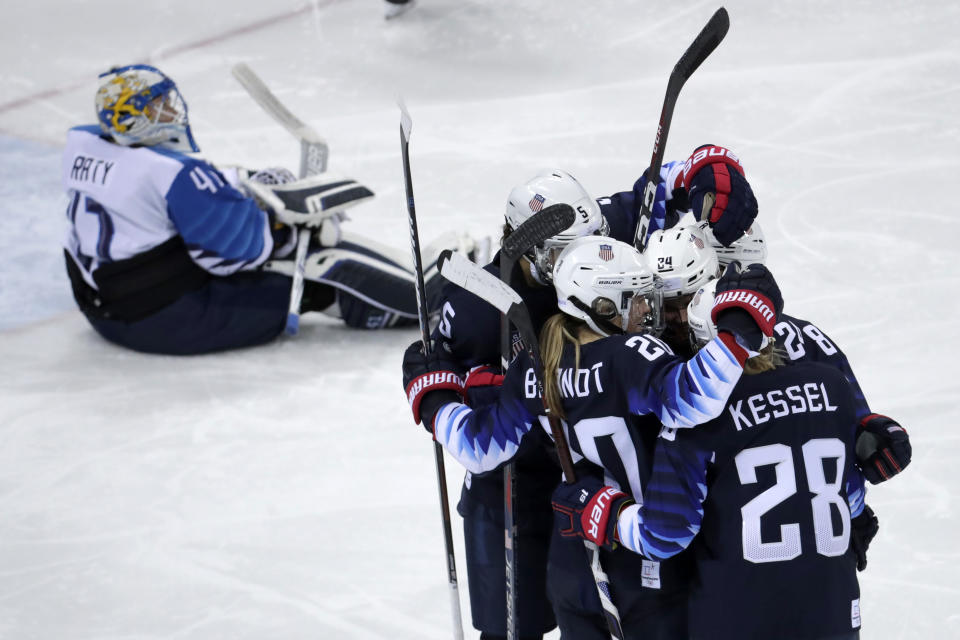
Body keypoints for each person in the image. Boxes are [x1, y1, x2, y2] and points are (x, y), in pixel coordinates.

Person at [428, 160, 756, 639]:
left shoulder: (586, 240)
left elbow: (658, 187)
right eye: (563, 252)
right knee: (510, 628)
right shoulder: (480, 310)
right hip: (517, 488)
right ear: (531, 247)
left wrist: (705, 168)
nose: (582, 253)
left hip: (570, 474)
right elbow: (689, 396)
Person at [63, 64, 467, 354]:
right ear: (136, 123)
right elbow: (237, 252)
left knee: (294, 240)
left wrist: (241, 183)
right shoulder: (173, 173)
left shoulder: (84, 144)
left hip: (104, 309)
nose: (172, 111)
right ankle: (428, 300)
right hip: (165, 322)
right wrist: (293, 225)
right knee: (316, 259)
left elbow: (153, 189)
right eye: (158, 108)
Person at [551, 277, 873, 640]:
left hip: (736, 617)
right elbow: (853, 495)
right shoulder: (832, 386)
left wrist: (600, 510)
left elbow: (665, 534)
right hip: (833, 610)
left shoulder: (693, 423)